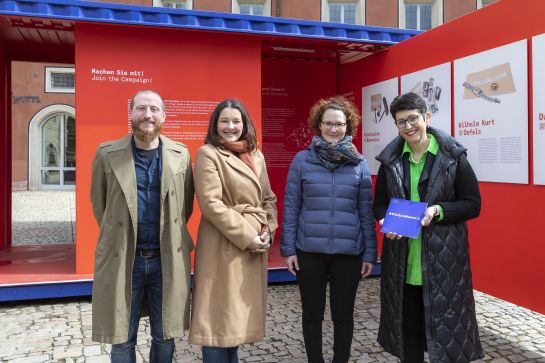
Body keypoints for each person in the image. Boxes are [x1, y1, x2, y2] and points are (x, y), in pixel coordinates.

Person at [373, 92, 483, 362]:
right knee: (408, 331)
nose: (408, 127)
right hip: (403, 259)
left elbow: (473, 204)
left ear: (426, 117)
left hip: (443, 261)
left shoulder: (453, 157)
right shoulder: (391, 161)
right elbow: (379, 204)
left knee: (445, 331)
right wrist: (385, 220)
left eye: (413, 119)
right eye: (401, 122)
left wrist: (438, 211)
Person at [90, 89, 194, 363]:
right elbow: (101, 207)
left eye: (154, 109)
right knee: (122, 337)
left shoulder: (180, 155)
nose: (147, 115)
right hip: (124, 259)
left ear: (163, 115)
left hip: (166, 259)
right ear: (131, 113)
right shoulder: (106, 153)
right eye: (141, 108)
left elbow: (184, 209)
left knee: (164, 336)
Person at [281, 96, 377, 363]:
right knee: (312, 315)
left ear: (348, 126)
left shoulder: (359, 164)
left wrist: (370, 253)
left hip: (349, 253)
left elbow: (365, 212)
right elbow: (291, 207)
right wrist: (288, 249)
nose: (333, 129)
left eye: (339, 124)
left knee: (343, 315)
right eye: (328, 124)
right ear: (318, 125)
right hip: (309, 251)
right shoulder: (302, 160)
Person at [188, 99, 278, 363]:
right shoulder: (208, 153)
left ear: (244, 123)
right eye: (224, 121)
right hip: (223, 246)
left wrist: (267, 231)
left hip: (253, 245)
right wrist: (248, 236)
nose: (231, 127)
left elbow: (268, 198)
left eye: (236, 121)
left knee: (234, 325)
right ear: (216, 125)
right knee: (217, 324)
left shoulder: (255, 154)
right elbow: (211, 204)